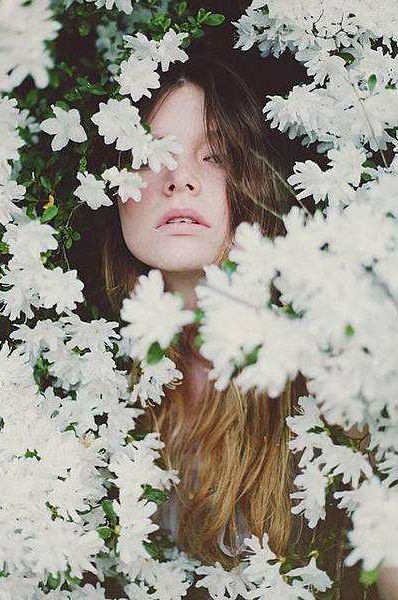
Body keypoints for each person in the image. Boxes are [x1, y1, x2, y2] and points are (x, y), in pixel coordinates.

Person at [102, 57, 382, 598]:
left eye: (215, 156)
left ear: (255, 178)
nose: (179, 179)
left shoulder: (334, 368)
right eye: (151, 157)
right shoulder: (89, 382)